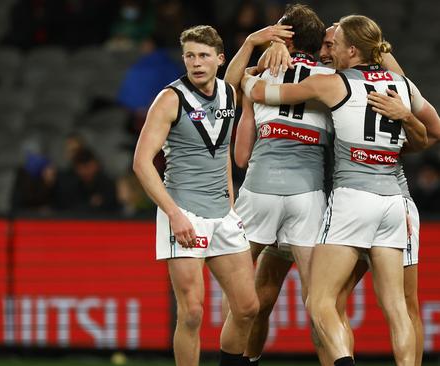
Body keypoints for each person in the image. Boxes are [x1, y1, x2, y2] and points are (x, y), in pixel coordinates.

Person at [242, 15, 429, 366]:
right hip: (394, 201)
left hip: (350, 200)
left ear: (352, 49)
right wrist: (405, 116)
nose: (329, 52)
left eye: (335, 45)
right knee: (400, 307)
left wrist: (256, 70)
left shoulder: (333, 82)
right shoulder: (401, 85)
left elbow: (259, 92)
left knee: (320, 302)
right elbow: (423, 137)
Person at [133, 25, 274, 366]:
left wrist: (230, 204)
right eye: (190, 56)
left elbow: (222, 150)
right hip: (184, 213)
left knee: (248, 307)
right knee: (193, 312)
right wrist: (174, 214)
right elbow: (141, 163)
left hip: (222, 215)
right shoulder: (170, 98)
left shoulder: (228, 94)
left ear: (219, 59)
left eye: (204, 56)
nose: (196, 63)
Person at [224, 4, 330, 365]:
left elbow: (228, 89)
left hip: (260, 190)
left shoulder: (260, 74)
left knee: (246, 296)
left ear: (281, 35)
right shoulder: (334, 76)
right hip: (310, 194)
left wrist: (255, 42)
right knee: (320, 304)